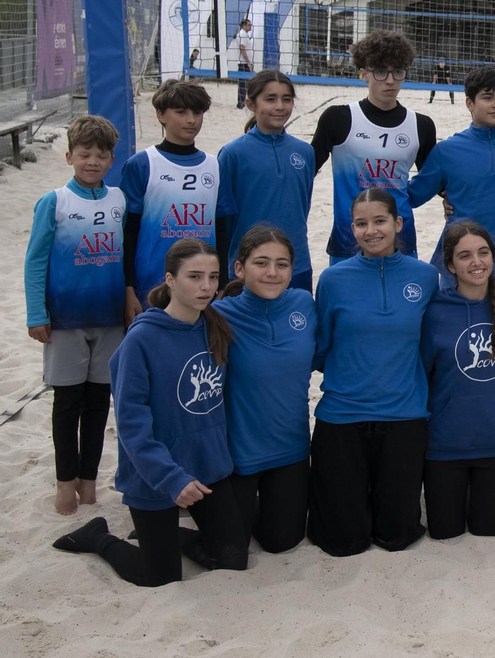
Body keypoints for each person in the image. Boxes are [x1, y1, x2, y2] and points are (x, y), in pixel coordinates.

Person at [51, 240, 248, 586]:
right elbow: (131, 427)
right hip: (154, 474)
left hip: (207, 466)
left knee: (233, 559)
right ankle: (99, 536)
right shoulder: (141, 340)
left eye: (213, 277)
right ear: (170, 279)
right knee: (158, 576)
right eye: (195, 276)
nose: (206, 286)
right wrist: (171, 478)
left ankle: (168, 537)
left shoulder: (214, 326)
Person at [308, 188, 440, 556]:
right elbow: (322, 348)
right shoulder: (333, 280)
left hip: (404, 413)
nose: (371, 231)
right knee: (343, 541)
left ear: (397, 223)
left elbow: (429, 345)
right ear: (352, 229)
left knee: (396, 535)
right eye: (361, 223)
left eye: (379, 221)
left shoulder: (426, 277)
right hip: (344, 413)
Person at [25, 115, 126, 515]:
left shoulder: (119, 200)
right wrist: (37, 313)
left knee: (99, 405)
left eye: (101, 156)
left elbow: (126, 256)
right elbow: (35, 262)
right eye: (84, 154)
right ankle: (65, 483)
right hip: (64, 318)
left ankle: (89, 481)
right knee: (67, 405)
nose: (92, 162)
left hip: (109, 318)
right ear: (69, 156)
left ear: (111, 160)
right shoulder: (54, 201)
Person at [421, 222, 495, 539]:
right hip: (443, 447)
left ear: (493, 258)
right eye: (465, 255)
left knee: (489, 531)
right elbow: (422, 379)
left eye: (483, 253)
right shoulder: (434, 312)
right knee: (445, 532)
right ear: (450, 264)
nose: (476, 262)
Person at [212, 226, 316, 553]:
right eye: (261, 263)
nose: (272, 272)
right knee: (229, 553)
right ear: (239, 268)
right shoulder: (217, 316)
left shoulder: (304, 304)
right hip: (238, 456)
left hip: (291, 449)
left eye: (282, 264)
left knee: (281, 542)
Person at [408, 66, 495, 300]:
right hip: (458, 266)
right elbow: (413, 196)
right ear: (469, 103)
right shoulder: (447, 151)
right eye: (487, 97)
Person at [311, 30, 437, 262]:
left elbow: (433, 179)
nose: (390, 80)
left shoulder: (421, 125)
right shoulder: (338, 118)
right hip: (349, 241)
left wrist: (440, 199)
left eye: (397, 71)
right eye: (380, 72)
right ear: (364, 74)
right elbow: (306, 171)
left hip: (401, 238)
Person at [120, 78, 229, 319]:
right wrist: (128, 287)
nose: (191, 120)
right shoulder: (142, 164)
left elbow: (222, 229)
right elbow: (128, 231)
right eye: (181, 112)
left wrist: (222, 283)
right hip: (152, 284)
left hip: (203, 285)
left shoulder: (215, 166)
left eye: (197, 112)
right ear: (161, 115)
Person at [218, 70, 316, 292]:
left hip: (296, 262)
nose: (280, 106)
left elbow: (303, 206)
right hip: (249, 265)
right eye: (270, 99)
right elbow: (224, 218)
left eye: (286, 99)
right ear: (251, 104)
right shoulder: (233, 153)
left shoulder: (305, 152)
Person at [230, 16, 254, 109]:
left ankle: (242, 102)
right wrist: (248, 62)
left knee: (245, 84)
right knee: (243, 84)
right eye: (249, 25)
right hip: (244, 64)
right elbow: (242, 49)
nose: (250, 27)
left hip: (245, 63)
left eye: (251, 25)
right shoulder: (242, 34)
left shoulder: (244, 34)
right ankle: (241, 104)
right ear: (243, 25)